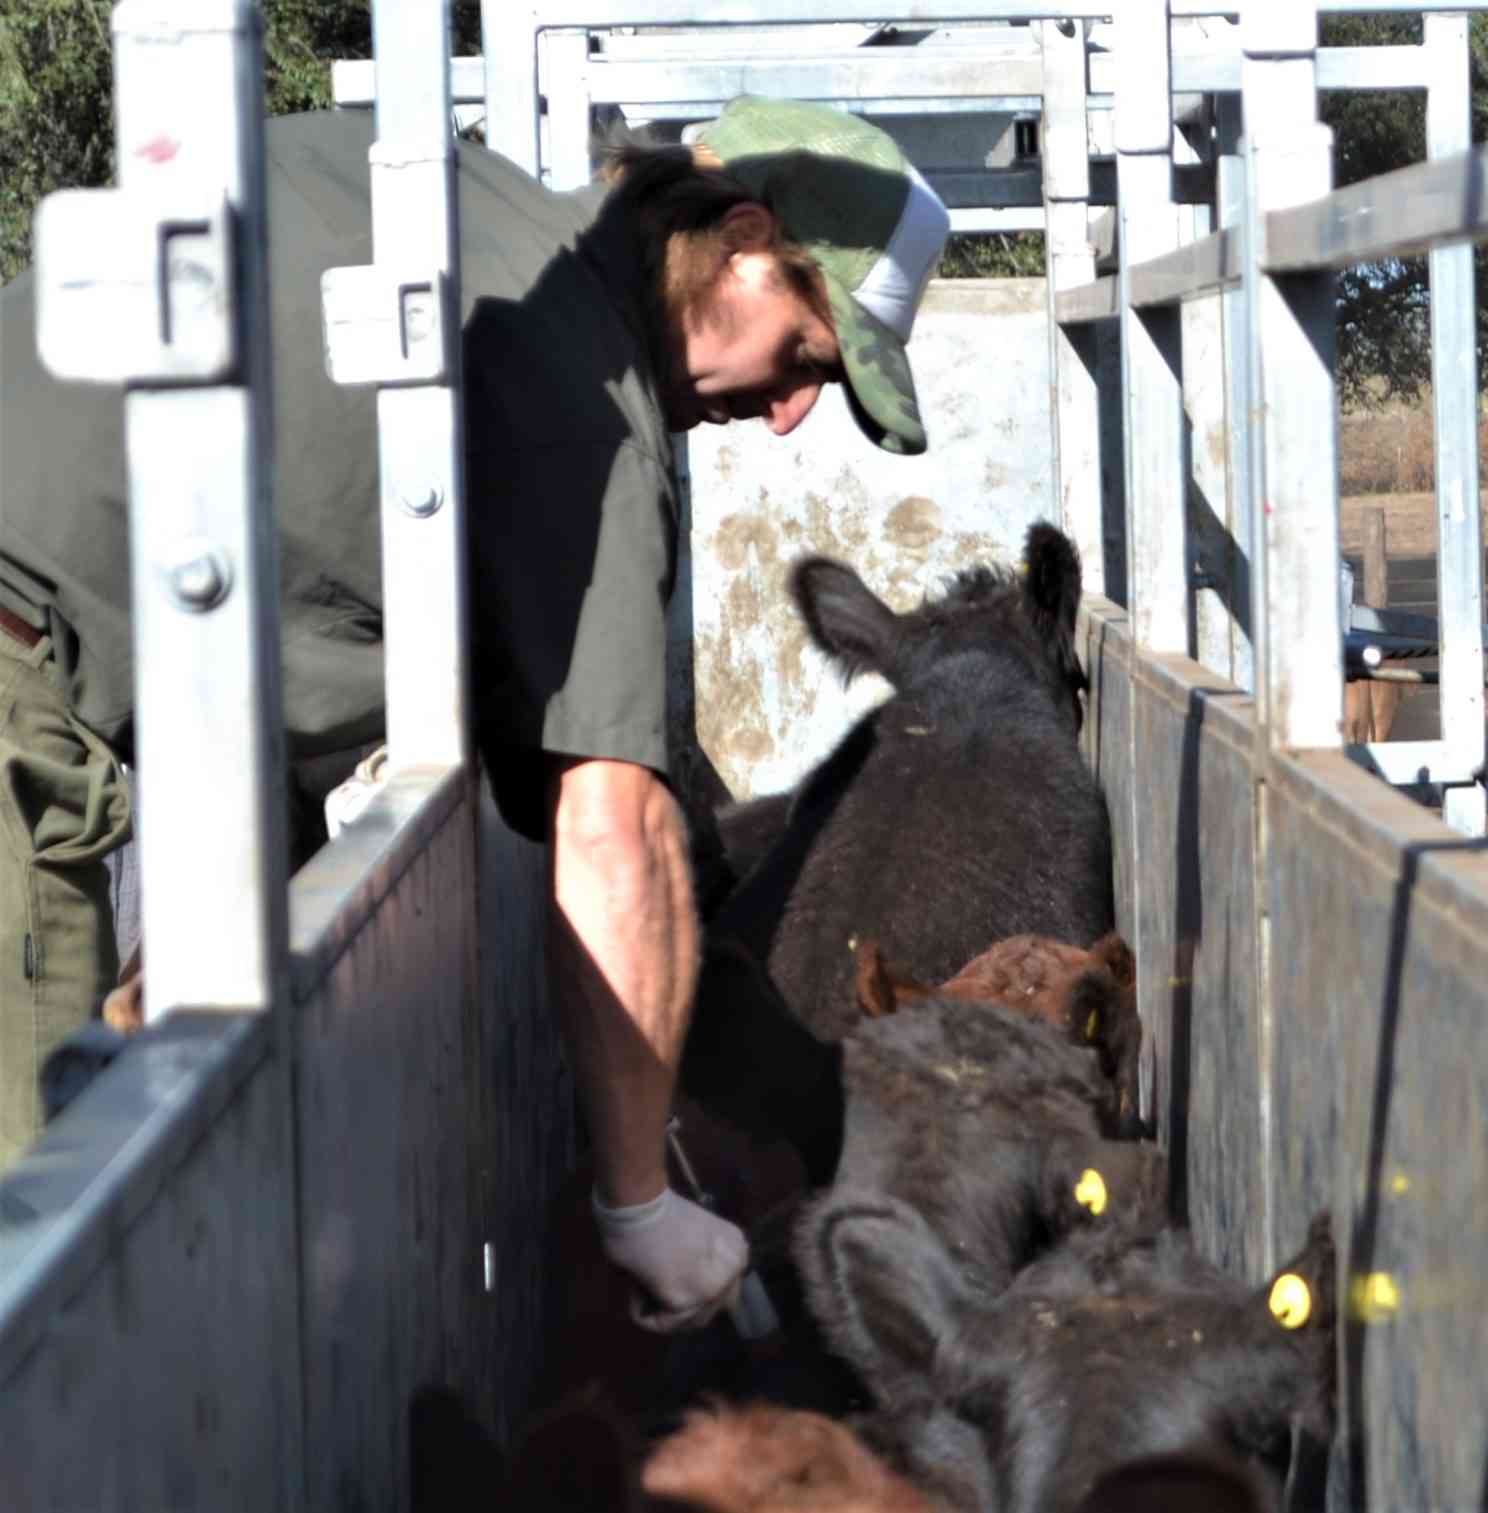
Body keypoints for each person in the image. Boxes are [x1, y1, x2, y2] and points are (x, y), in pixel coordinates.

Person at [0, 95, 948, 1327]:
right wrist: (637, 1207)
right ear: (747, 241)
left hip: (73, 634)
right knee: (36, 1254)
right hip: (21, 646)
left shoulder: (460, 209)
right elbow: (614, 830)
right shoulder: (581, 385)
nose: (787, 412)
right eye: (811, 356)